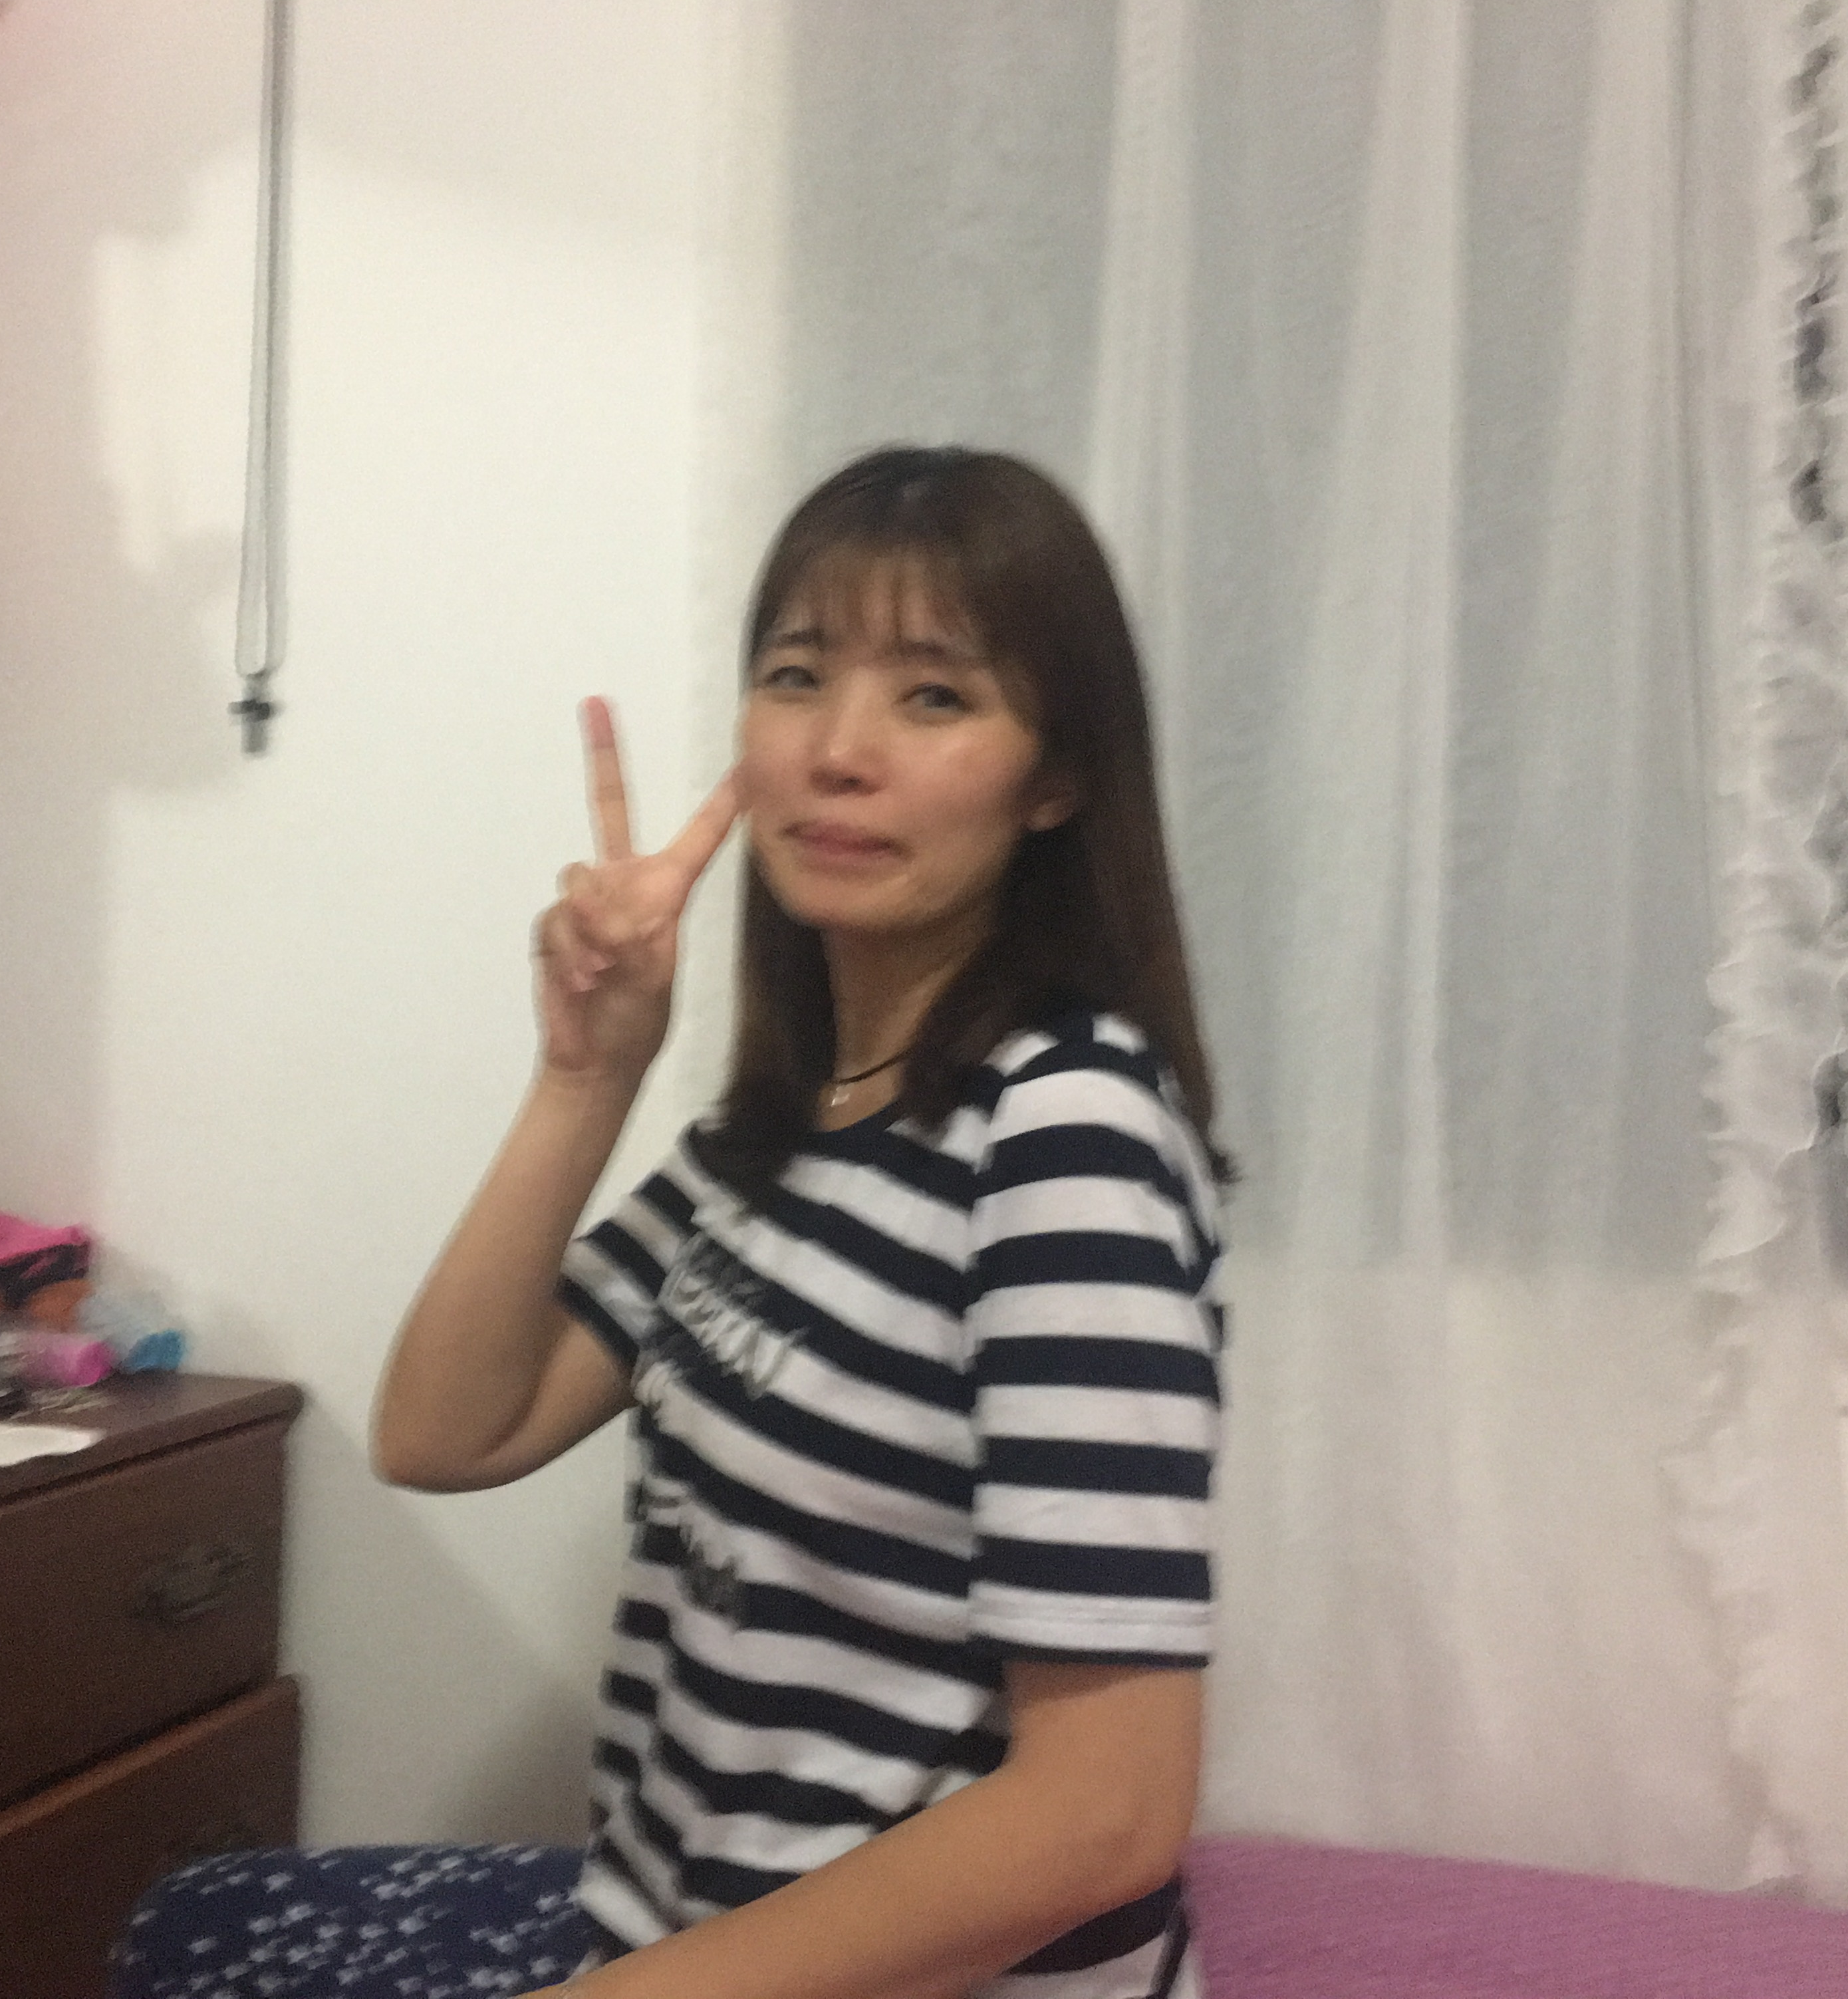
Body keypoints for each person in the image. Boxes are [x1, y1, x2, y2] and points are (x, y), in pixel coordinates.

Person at [114, 448, 1224, 1999]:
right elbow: (445, 1431)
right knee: (198, 1927)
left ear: (1056, 779)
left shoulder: (1062, 1135)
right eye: (797, 676)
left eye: (934, 696)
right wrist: (589, 1075)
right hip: (672, 1945)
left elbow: (1104, 1816)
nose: (838, 751)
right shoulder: (787, 1132)